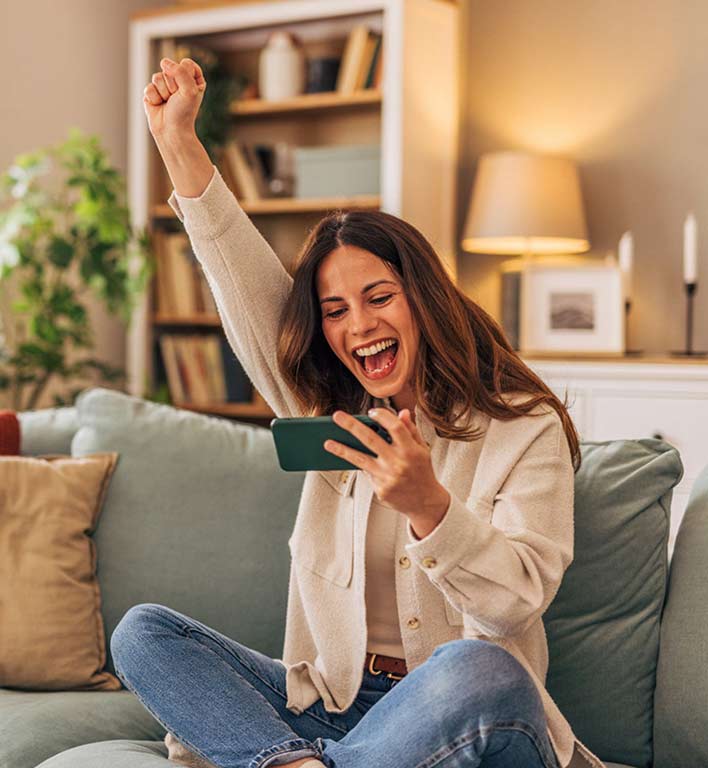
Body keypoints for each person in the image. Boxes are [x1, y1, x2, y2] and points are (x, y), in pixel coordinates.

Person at [109, 58, 605, 768]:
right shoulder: (333, 411)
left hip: (467, 710)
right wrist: (178, 143)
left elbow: (514, 603)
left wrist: (431, 506)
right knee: (144, 634)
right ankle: (297, 762)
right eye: (335, 310)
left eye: (379, 297)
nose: (359, 325)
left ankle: (284, 759)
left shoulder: (523, 427)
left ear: (423, 299)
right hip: (336, 708)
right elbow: (243, 285)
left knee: (481, 665)